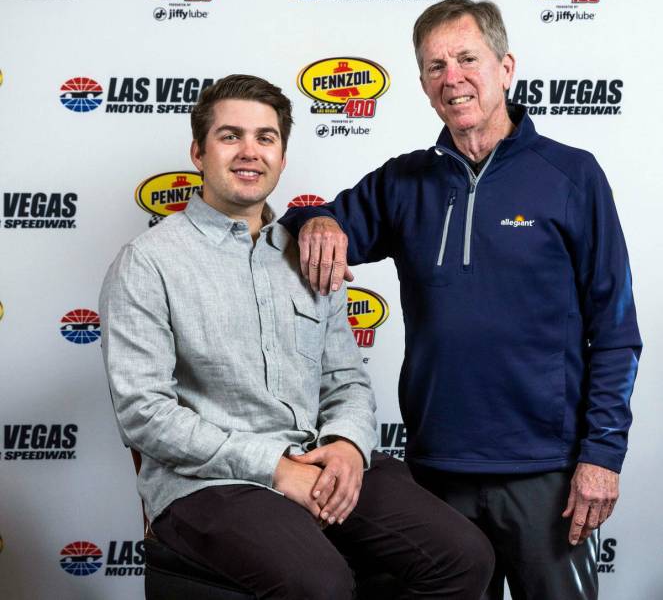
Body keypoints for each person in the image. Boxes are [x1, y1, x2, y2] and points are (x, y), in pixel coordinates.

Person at [280, 0, 642, 600]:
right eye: (434, 66)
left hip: (546, 469)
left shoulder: (572, 176)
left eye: (467, 59)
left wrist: (602, 455)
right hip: (434, 469)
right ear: (423, 85)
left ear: (505, 67)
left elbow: (616, 330)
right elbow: (308, 222)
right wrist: (315, 220)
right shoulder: (402, 182)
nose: (452, 77)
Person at [99, 74, 495, 600]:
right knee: (319, 585)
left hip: (317, 456)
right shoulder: (148, 262)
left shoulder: (308, 251)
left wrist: (348, 447)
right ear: (198, 151)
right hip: (211, 484)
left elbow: (346, 380)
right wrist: (274, 468)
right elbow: (144, 412)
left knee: (465, 557)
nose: (249, 152)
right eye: (230, 136)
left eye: (266, 138)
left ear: (283, 158)